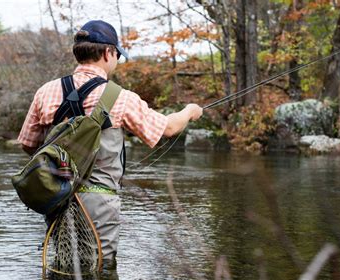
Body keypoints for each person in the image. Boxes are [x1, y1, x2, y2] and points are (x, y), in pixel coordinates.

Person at [17, 20, 203, 266]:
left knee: (66, 264)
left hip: (56, 196)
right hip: (100, 202)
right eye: (117, 55)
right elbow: (167, 128)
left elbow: (29, 145)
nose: (117, 60)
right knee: (98, 274)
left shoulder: (46, 92)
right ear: (108, 53)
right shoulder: (121, 98)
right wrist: (190, 111)